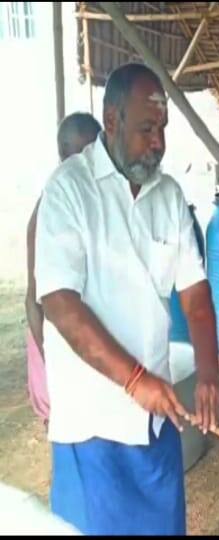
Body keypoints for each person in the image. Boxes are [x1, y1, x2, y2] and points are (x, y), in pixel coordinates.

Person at [34, 63, 219, 535]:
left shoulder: (170, 196)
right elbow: (59, 303)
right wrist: (135, 379)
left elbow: (196, 296)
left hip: (154, 426)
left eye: (161, 130)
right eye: (145, 129)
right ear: (111, 121)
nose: (157, 142)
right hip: (93, 429)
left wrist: (208, 374)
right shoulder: (68, 191)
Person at [25, 112, 101, 425]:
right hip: (61, 348)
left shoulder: (99, 199)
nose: (88, 162)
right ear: (62, 155)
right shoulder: (47, 213)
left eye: (95, 152)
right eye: (79, 154)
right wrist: (51, 362)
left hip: (92, 346)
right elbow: (34, 299)